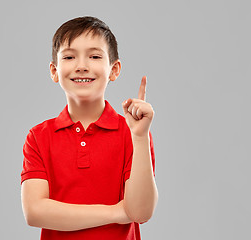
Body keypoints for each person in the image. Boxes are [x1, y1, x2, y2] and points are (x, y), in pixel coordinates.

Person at [20, 16, 158, 240]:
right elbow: (34, 212)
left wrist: (140, 136)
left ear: (114, 69)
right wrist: (118, 211)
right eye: (69, 56)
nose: (82, 66)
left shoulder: (133, 134)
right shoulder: (39, 136)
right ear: (54, 71)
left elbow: (141, 211)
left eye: (94, 56)